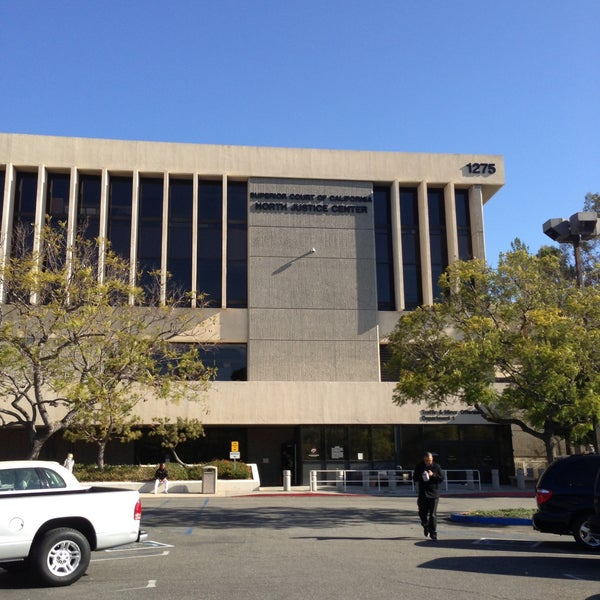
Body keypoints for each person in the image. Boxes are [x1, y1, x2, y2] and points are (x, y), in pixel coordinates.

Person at [412, 451, 444, 540]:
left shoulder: (436, 466)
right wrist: (421, 476)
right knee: (422, 512)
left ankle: (433, 533)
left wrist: (432, 475)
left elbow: (441, 478)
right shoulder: (419, 466)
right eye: (426, 461)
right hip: (423, 493)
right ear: (424, 459)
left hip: (434, 493)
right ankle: (425, 525)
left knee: (433, 514)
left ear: (432, 459)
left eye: (429, 460)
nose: (427, 462)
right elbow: (414, 478)